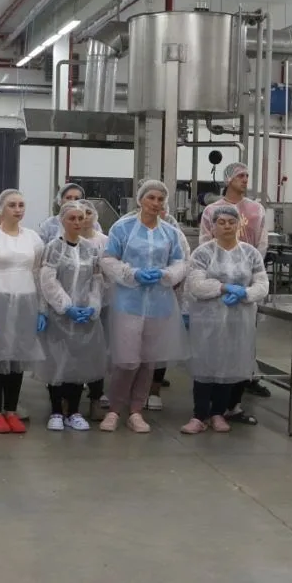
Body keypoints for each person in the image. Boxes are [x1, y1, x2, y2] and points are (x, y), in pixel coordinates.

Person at [99, 180, 190, 432]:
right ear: (140, 200)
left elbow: (181, 262)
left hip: (159, 303)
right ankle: (114, 410)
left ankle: (136, 411)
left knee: (149, 361)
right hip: (128, 302)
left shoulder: (170, 233)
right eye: (151, 198)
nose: (156, 203)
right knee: (126, 360)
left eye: (160, 199)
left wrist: (166, 274)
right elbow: (108, 259)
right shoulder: (122, 228)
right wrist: (132, 274)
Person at [181, 205, 269, 433]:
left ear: (239, 225)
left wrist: (245, 293)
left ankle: (218, 413)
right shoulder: (203, 253)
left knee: (229, 366)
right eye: (221, 222)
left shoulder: (251, 253)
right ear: (213, 227)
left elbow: (262, 284)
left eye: (231, 222)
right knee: (205, 366)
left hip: (239, 319)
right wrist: (223, 287)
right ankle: (199, 416)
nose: (227, 226)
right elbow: (196, 285)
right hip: (208, 319)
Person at [0, 189, 46, 433]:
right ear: (0, 208)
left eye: (21, 205)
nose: (18, 209)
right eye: (12, 205)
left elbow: (39, 273)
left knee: (17, 358)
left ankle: (11, 410)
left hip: (26, 302)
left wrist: (41, 308)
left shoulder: (33, 238)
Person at [198, 162, 271, 400]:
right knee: (216, 335)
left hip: (245, 281)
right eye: (240, 175)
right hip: (218, 283)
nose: (245, 179)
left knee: (245, 334)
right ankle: (215, 381)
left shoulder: (256, 209)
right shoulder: (212, 211)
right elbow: (205, 243)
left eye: (247, 175)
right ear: (228, 179)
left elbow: (261, 242)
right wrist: (218, 277)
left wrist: (248, 272)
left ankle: (246, 377)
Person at [38, 199, 107, 431]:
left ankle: (74, 411)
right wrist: (66, 306)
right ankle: (56, 411)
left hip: (85, 318)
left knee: (79, 363)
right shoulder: (53, 247)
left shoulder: (90, 248)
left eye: (81, 218)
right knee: (58, 363)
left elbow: (97, 280)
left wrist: (93, 306)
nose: (78, 222)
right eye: (72, 218)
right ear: (62, 221)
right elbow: (48, 280)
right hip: (59, 317)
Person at [38, 181, 86, 245]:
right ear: (60, 200)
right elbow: (40, 248)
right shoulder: (48, 224)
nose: (73, 201)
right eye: (68, 198)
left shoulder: (91, 224)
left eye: (77, 198)